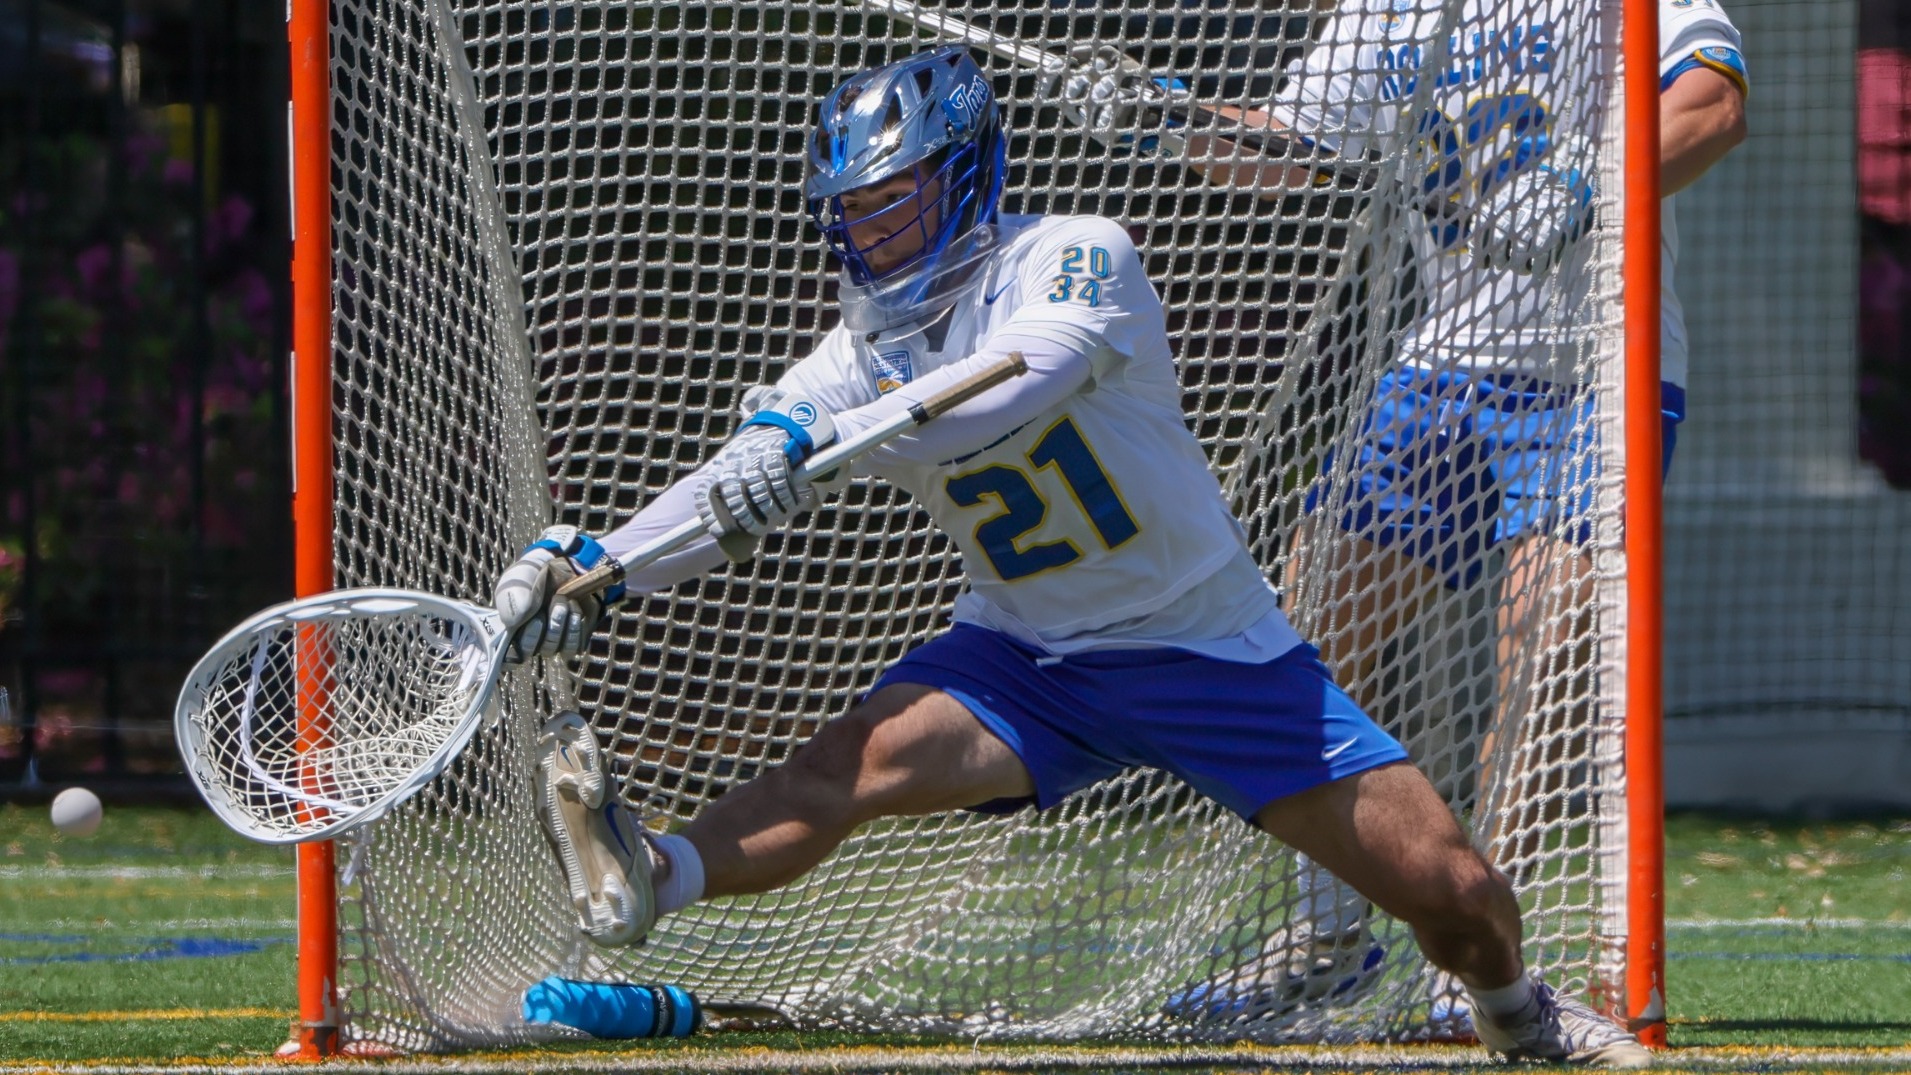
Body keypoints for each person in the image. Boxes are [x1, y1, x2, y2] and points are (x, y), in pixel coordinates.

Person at [491, 46, 1650, 1066]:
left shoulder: (1075, 255)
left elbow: (1012, 385)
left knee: (1457, 895)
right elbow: (731, 481)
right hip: (1025, 654)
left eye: (896, 198)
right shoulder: (856, 343)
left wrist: (813, 440)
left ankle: (1515, 1016)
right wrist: (601, 567)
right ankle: (657, 875)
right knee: (843, 763)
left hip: (1207, 652)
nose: (871, 229)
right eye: (852, 207)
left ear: (966, 176)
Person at [1052, 0, 1748, 1031]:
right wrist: (1164, 117)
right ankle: (1324, 935)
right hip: (1439, 373)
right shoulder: (1386, 14)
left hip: (1599, 360)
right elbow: (1285, 153)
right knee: (1304, 620)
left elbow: (1715, 103)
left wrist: (1578, 185)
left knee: (1545, 642)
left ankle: (1488, 950)